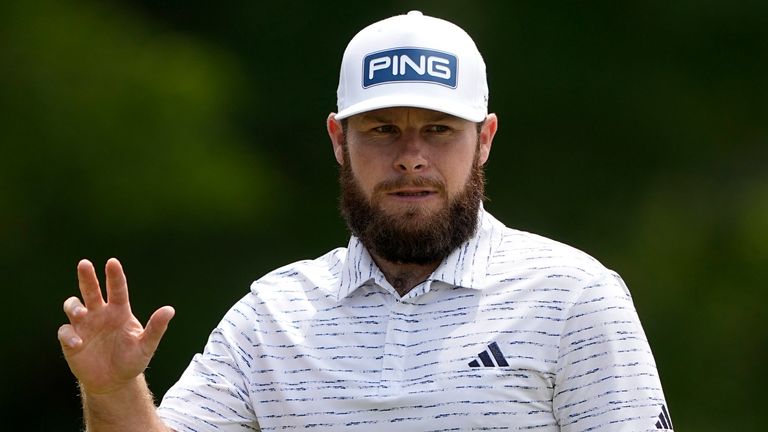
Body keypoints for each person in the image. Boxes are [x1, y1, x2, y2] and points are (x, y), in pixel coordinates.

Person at [58, 11, 673, 432]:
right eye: (382, 130)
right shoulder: (272, 316)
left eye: (439, 129)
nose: (411, 155)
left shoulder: (573, 296)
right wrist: (114, 394)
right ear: (338, 140)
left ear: (484, 139)